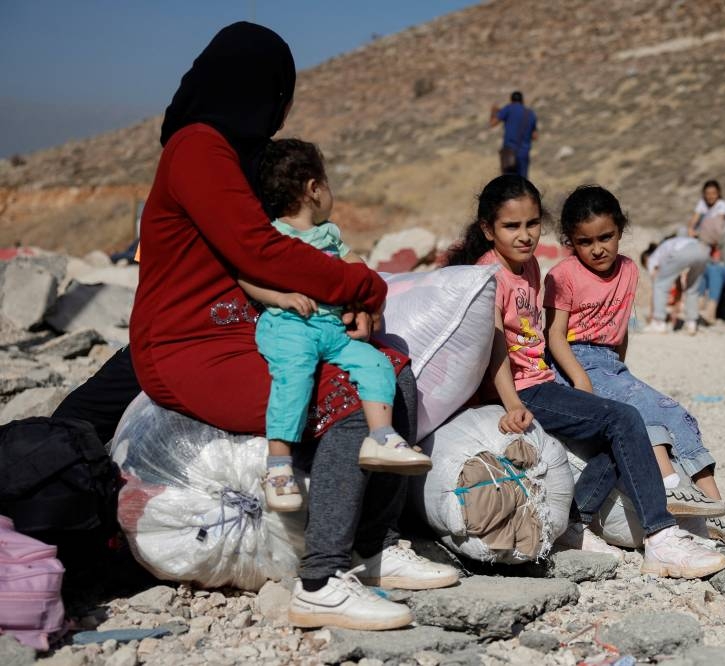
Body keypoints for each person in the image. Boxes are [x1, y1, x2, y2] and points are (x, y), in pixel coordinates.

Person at [68, 22, 457, 631]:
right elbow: (259, 252)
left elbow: (276, 250)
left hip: (242, 332)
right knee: (349, 398)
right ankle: (321, 581)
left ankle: (371, 549)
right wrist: (363, 285)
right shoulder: (199, 148)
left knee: (390, 371)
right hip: (189, 345)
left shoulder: (238, 157)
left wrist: (343, 305)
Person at [445, 174, 725, 579]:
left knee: (619, 439)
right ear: (488, 229)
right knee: (625, 419)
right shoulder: (487, 276)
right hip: (523, 389)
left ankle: (575, 521)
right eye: (511, 226)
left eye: (531, 224)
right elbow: (492, 347)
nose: (524, 235)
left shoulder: (528, 268)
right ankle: (661, 537)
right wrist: (510, 405)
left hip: (538, 379)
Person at [543, 186, 725, 546]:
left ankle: (718, 507)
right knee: (641, 413)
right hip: (574, 361)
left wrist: (623, 373)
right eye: (585, 241)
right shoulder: (563, 275)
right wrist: (580, 378)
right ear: (570, 242)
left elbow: (620, 328)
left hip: (610, 364)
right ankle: (671, 487)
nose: (598, 249)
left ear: (621, 230)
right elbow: (555, 335)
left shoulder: (627, 270)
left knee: (676, 413)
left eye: (606, 237)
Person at [241, 139, 431, 512]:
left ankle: (381, 436)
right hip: (289, 326)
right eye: (326, 183)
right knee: (294, 378)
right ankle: (278, 465)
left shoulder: (328, 233)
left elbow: (353, 261)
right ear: (314, 189)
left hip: (331, 329)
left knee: (376, 362)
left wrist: (360, 282)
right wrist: (278, 298)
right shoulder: (273, 235)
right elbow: (246, 275)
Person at [687, 180, 725, 324]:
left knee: (715, 270)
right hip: (710, 249)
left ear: (719, 194)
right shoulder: (702, 204)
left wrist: (700, 234)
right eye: (708, 193)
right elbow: (692, 223)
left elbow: (717, 229)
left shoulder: (722, 206)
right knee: (702, 269)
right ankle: (698, 307)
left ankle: (710, 312)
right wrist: (692, 230)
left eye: (714, 193)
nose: (711, 196)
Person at [641, 230, 709, 335]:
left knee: (659, 285)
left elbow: (656, 288)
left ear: (647, 259)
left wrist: (652, 316)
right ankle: (692, 323)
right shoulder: (667, 251)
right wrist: (675, 311)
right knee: (692, 288)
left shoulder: (653, 258)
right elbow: (679, 286)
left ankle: (658, 323)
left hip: (683, 252)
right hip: (703, 250)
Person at [489, 91, 538, 178]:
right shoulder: (530, 113)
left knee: (508, 184)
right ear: (522, 101)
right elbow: (535, 136)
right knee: (523, 183)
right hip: (524, 153)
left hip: (509, 153)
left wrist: (493, 111)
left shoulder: (508, 108)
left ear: (511, 100)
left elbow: (493, 123)